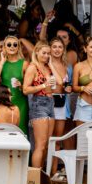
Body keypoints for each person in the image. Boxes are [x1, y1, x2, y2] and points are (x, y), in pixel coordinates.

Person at [23, 41, 56, 169]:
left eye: (48, 53)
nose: (47, 55)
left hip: (50, 103)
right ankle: (35, 179)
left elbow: (58, 82)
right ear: (36, 52)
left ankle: (41, 176)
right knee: (40, 145)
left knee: (47, 144)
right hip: (39, 103)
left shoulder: (48, 67)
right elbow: (25, 89)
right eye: (44, 53)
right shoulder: (32, 67)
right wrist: (43, 85)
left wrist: (52, 64)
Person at [0, 35, 29, 134]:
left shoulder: (24, 63)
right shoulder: (0, 63)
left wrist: (20, 85)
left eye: (15, 45)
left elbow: (28, 86)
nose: (12, 47)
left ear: (18, 48)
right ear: (4, 47)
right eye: (9, 44)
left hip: (20, 100)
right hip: (4, 101)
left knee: (21, 129)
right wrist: (2, 62)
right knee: (6, 129)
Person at [48, 37, 73, 141]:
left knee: (58, 139)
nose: (57, 50)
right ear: (49, 48)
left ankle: (55, 158)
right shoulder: (44, 64)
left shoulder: (67, 66)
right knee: (46, 140)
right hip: (47, 102)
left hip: (61, 103)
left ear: (63, 49)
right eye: (54, 47)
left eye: (60, 47)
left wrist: (69, 88)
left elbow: (70, 84)